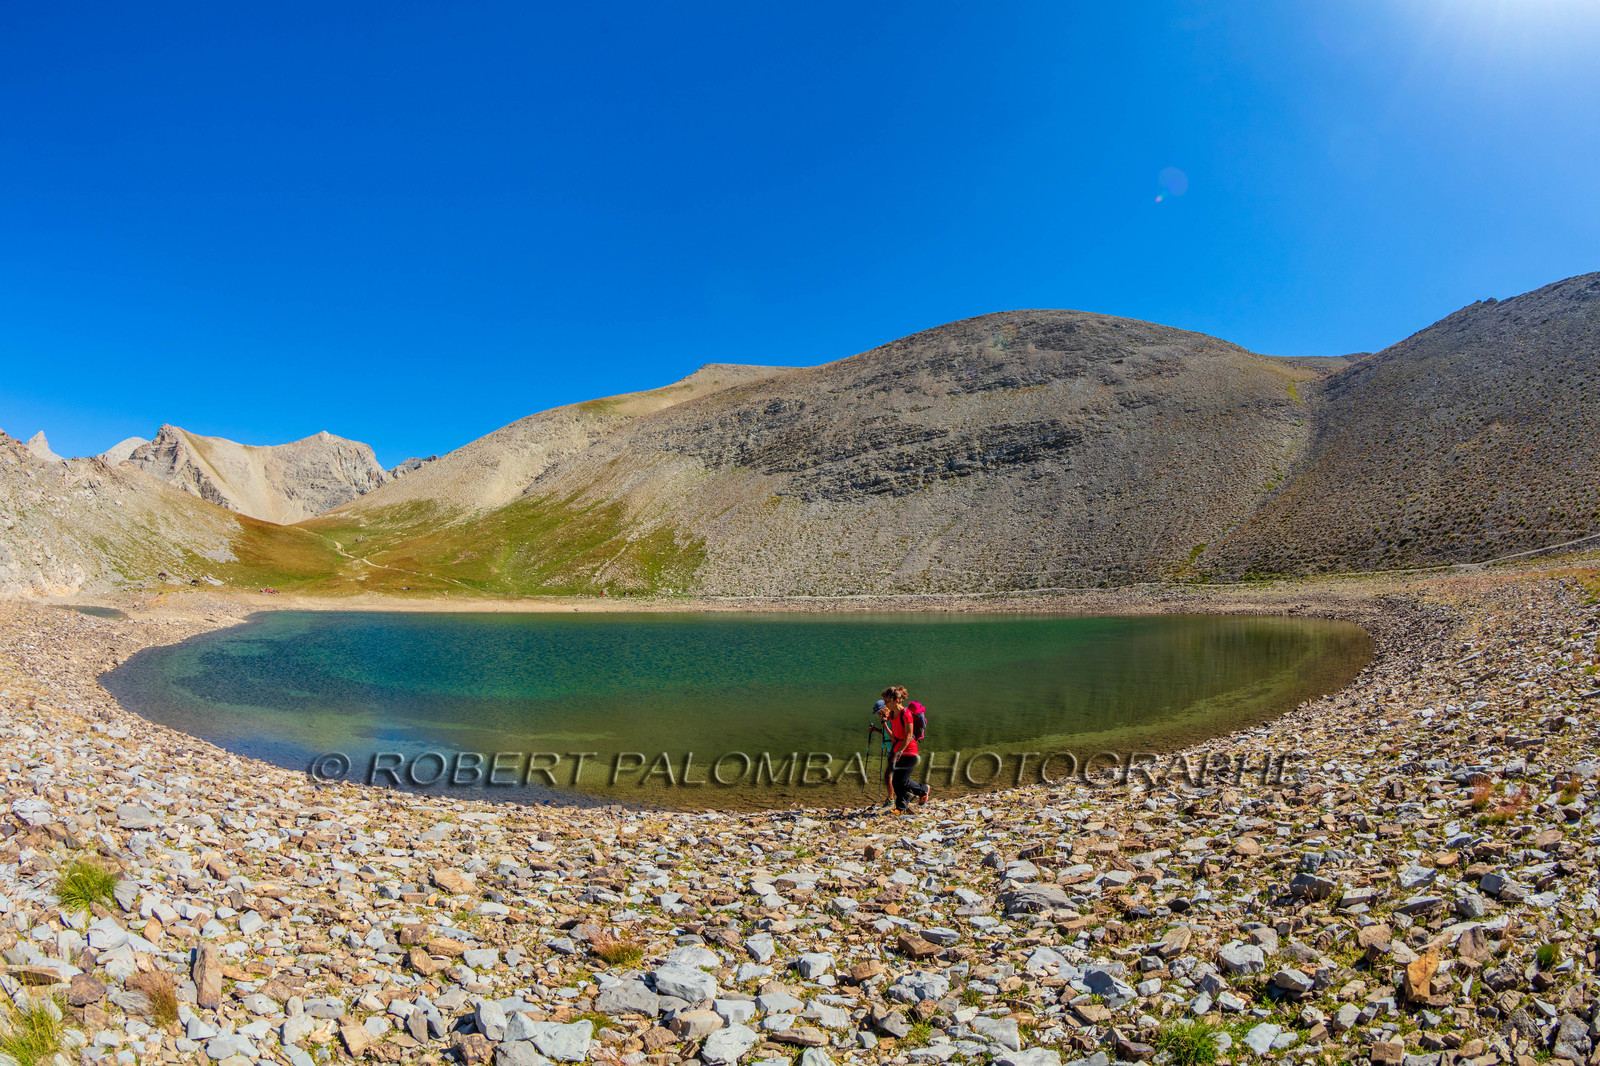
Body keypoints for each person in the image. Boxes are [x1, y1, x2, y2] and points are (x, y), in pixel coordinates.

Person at [885, 685, 930, 812]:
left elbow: (909, 736)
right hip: (897, 749)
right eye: (885, 700)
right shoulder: (892, 714)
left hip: (909, 751)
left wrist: (900, 751)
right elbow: (895, 734)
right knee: (896, 781)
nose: (885, 703)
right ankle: (901, 807)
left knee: (901, 781)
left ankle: (923, 790)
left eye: (888, 700)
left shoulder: (906, 714)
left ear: (896, 700)